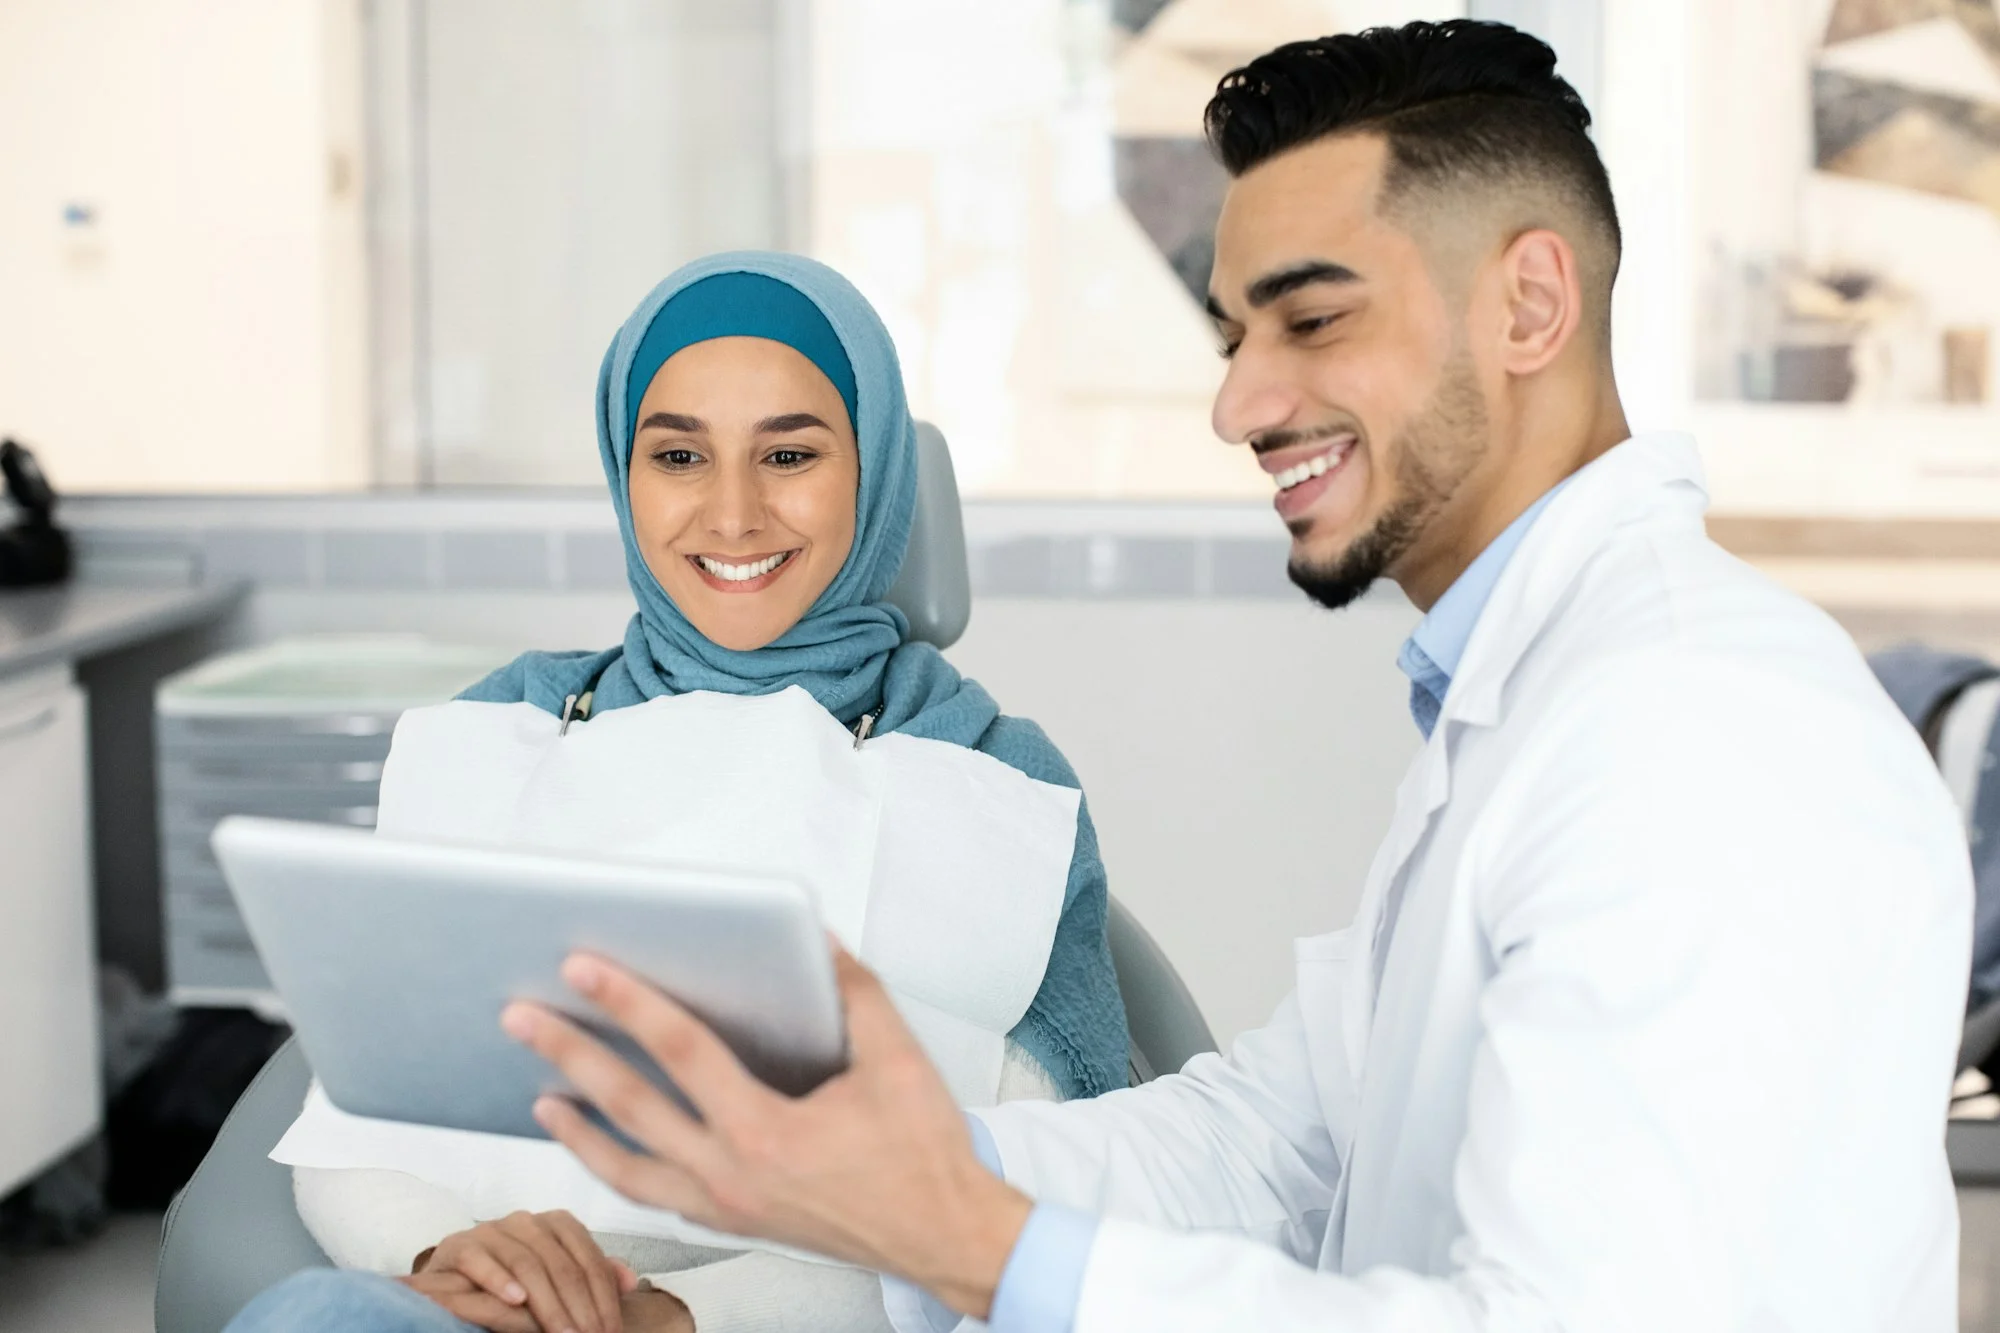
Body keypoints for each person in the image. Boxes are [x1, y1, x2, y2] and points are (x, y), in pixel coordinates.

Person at [475, 20, 1972, 1333]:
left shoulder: (1700, 735)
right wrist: (893, 1167)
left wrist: (969, 1238)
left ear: (1529, 306)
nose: (1241, 403)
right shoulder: (1524, 711)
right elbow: (1276, 1140)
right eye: (1234, 333)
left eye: (1313, 320)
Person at [226, 252, 1129, 1333]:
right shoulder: (498, 727)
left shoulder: (987, 771)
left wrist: (669, 1318)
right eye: (678, 455)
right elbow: (354, 1115)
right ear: (623, 471)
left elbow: (1028, 1188)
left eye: (788, 452)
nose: (733, 513)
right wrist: (454, 1259)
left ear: (873, 466)